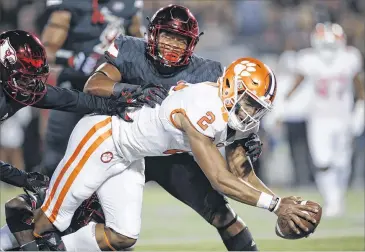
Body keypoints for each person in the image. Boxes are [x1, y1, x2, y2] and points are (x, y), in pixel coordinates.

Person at [33, 57, 319, 251]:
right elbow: (220, 179)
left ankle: (55, 248)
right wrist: (276, 205)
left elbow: (241, 171)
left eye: (258, 108)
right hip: (105, 138)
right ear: (232, 88)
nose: (251, 113)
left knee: (122, 237)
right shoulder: (204, 105)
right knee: (52, 219)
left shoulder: (231, 114)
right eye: (249, 103)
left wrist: (281, 203)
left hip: (132, 157)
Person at [85, 4, 264, 251]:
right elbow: (94, 84)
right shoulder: (131, 49)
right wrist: (132, 91)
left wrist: (245, 139)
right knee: (90, 217)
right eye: (168, 35)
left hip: (172, 157)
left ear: (191, 44)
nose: (172, 44)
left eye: (180, 39)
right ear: (153, 34)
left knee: (225, 218)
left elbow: (231, 113)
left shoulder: (208, 72)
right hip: (125, 150)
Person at [40, 0, 146, 177]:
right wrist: (71, 59)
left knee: (111, 157)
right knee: (56, 156)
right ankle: (44, 197)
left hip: (108, 92)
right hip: (74, 89)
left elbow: (142, 47)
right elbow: (45, 51)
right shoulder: (70, 5)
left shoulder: (129, 6)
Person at [285, 22, 365, 217]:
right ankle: (332, 198)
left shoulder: (350, 58)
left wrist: (360, 110)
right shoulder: (308, 59)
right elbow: (296, 84)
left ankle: (336, 199)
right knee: (322, 161)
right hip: (319, 118)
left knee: (342, 161)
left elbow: (359, 86)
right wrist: (282, 105)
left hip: (343, 117)